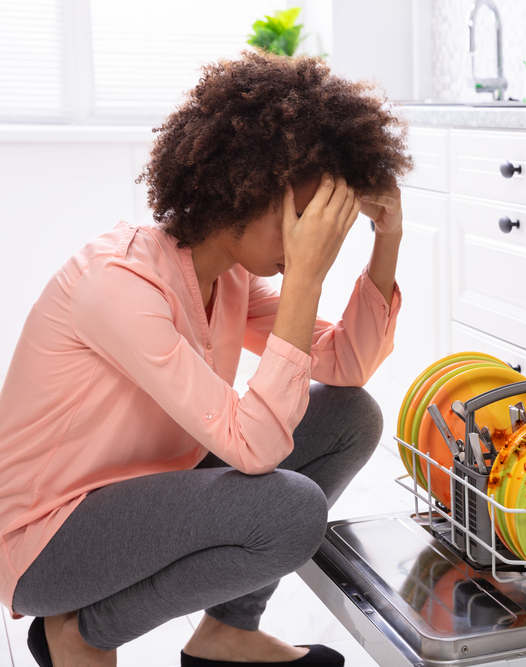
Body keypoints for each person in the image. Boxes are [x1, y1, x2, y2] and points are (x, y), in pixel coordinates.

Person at [0, 49, 412, 667]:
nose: (313, 241)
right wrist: (306, 279)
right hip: (49, 540)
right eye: (304, 220)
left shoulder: (228, 280)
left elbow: (345, 365)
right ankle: (84, 628)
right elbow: (256, 447)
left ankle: (225, 634)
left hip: (145, 498)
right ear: (243, 190)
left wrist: (388, 237)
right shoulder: (120, 284)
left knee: (351, 417)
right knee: (288, 512)